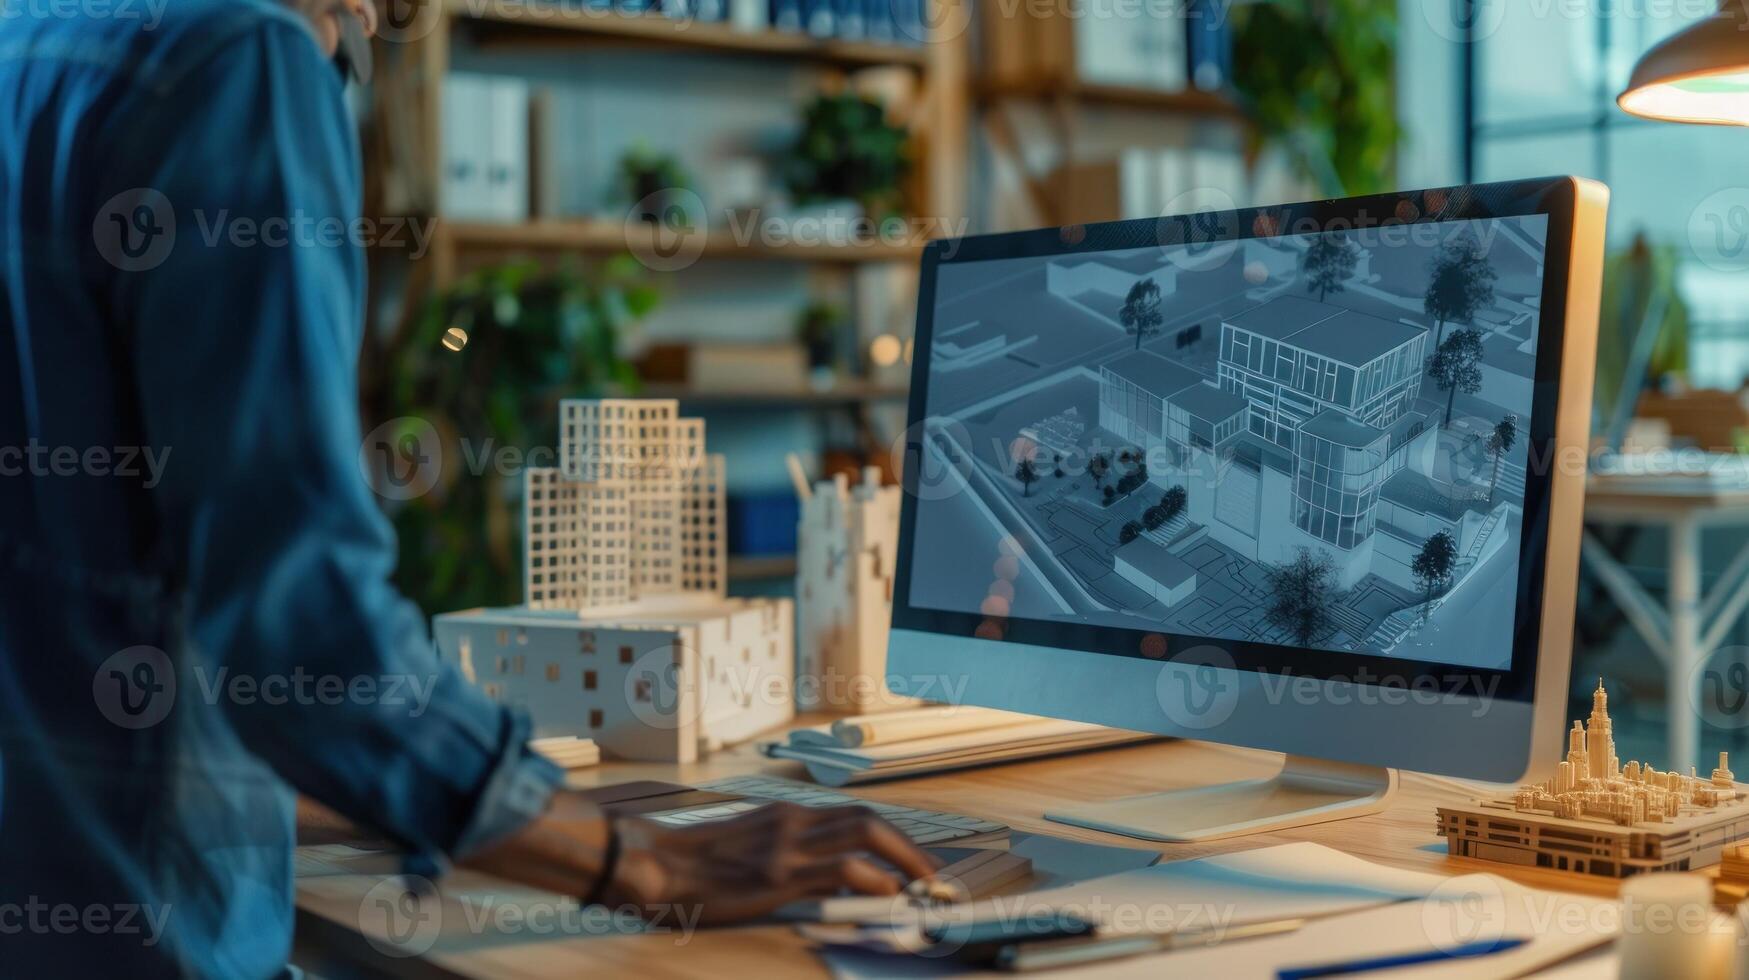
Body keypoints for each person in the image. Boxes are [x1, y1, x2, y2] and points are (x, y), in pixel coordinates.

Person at [0, 0, 937, 974]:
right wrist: (641, 862)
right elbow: (300, 622)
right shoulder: (234, 59)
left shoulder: (30, 43)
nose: (367, 27)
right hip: (152, 924)